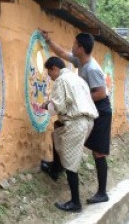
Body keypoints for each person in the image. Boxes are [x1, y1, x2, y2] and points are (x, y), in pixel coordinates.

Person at [40, 30, 112, 204]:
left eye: (74, 44)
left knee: (99, 152)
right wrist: (49, 41)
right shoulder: (79, 61)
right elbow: (63, 54)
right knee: (59, 128)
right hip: (86, 107)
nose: (71, 47)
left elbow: (101, 93)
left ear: (80, 48)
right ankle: (56, 168)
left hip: (100, 109)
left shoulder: (92, 68)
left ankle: (102, 192)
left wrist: (79, 100)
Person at [41, 57, 98, 212]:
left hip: (76, 122)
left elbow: (58, 107)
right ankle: (55, 169)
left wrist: (47, 105)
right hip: (87, 122)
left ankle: (75, 202)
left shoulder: (61, 80)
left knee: (71, 161)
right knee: (57, 134)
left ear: (54, 68)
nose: (50, 77)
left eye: (49, 72)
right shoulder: (76, 78)